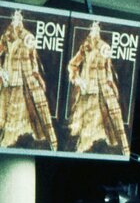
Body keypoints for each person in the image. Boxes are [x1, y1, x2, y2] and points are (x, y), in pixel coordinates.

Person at [66, 21, 129, 155]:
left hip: (104, 90)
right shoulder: (85, 47)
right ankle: (83, 148)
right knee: (88, 120)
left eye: (97, 28)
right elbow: (73, 65)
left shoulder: (104, 47)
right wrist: (78, 80)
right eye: (92, 28)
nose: (94, 31)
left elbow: (108, 69)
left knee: (111, 118)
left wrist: (111, 85)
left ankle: (118, 148)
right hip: (89, 91)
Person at [0, 10, 58, 150]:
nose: (17, 21)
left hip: (27, 79)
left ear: (22, 20)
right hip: (10, 80)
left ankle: (51, 143)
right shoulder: (6, 37)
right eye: (15, 18)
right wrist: (1, 72)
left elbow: (33, 59)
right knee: (7, 111)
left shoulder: (28, 37)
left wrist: (37, 76)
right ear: (12, 19)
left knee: (38, 109)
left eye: (19, 18)